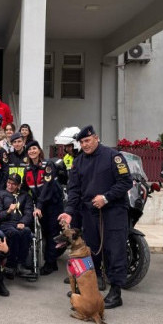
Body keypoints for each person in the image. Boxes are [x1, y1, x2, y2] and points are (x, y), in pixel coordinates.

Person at [58, 125, 132, 309]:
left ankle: (116, 292)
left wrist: (106, 197)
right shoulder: (78, 162)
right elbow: (74, 190)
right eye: (82, 142)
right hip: (89, 213)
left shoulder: (113, 156)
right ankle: (92, 285)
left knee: (114, 251)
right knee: (90, 251)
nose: (85, 145)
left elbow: (126, 182)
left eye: (88, 140)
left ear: (96, 138)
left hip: (113, 212)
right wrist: (68, 211)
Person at [24, 141, 64, 276]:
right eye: (29, 150)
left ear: (39, 150)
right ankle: (51, 260)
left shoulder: (48, 166)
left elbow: (47, 187)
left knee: (52, 233)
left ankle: (50, 264)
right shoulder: (28, 169)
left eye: (34, 148)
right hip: (40, 206)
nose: (32, 151)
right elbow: (25, 188)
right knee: (46, 233)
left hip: (52, 204)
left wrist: (39, 205)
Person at [0, 174, 35, 279]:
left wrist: (23, 222)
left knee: (26, 231)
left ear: (19, 185)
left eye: (14, 184)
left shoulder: (25, 196)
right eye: (9, 183)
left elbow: (29, 212)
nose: (10, 186)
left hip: (20, 223)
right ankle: (11, 265)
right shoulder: (0, 194)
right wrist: (8, 211)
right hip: (5, 223)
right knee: (14, 233)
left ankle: (21, 265)